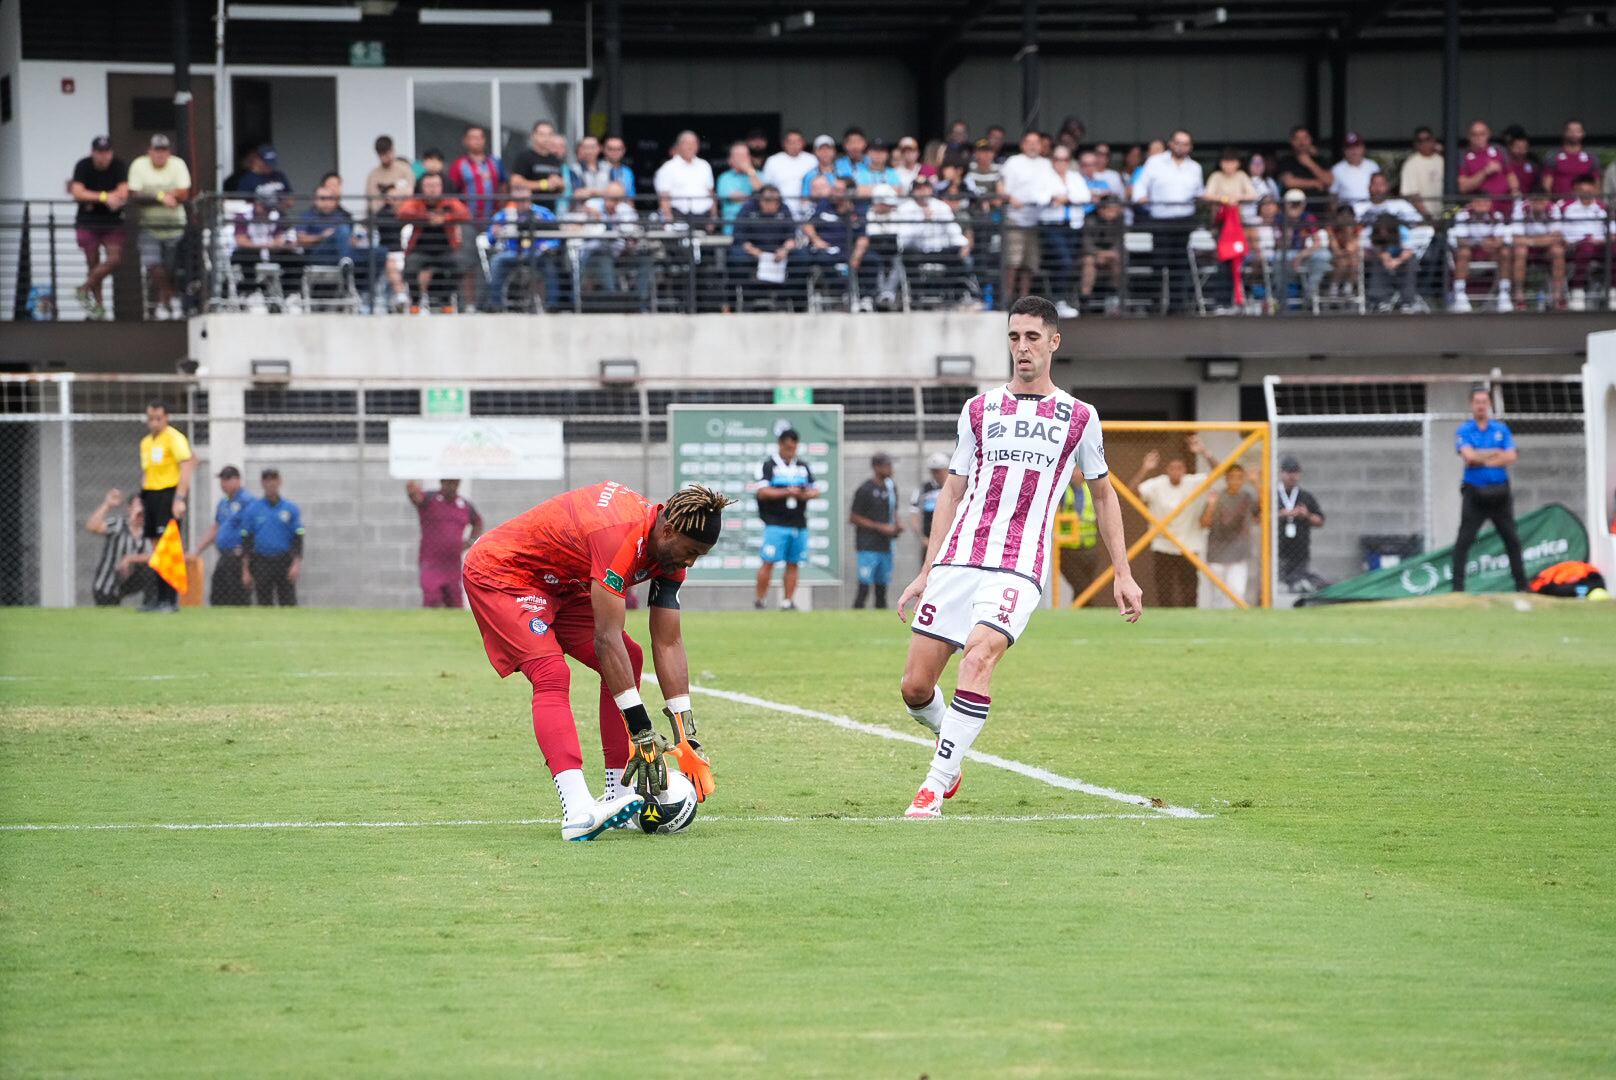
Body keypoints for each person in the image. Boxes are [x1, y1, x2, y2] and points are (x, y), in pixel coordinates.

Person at [895, 296, 1141, 818]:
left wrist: (1123, 572)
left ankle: (933, 787)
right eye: (1014, 337)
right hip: (960, 557)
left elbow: (1102, 494)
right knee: (915, 687)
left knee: (979, 656)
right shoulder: (979, 409)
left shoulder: (1079, 417)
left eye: (1032, 337)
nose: (1022, 347)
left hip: (1018, 564)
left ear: (1054, 342)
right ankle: (953, 749)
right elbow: (953, 491)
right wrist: (925, 571)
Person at [462, 482, 732, 842]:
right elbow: (606, 639)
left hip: (560, 582)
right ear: (668, 530)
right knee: (551, 671)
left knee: (631, 656)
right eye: (691, 552)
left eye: (700, 555)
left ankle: (618, 798)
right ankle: (576, 811)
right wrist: (640, 727)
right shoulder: (619, 535)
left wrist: (686, 737)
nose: (690, 562)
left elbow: (668, 641)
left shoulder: (671, 552)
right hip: (504, 573)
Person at [1452, 386, 1528, 593]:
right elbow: (1469, 456)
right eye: (1477, 402)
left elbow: (1511, 456)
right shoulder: (1464, 430)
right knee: (1463, 541)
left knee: (1511, 539)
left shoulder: (1500, 429)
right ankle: (1457, 589)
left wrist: (1481, 458)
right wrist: (1495, 454)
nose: (1481, 406)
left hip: (1500, 495)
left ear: (1489, 404)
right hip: (1474, 494)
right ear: (1471, 405)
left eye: (1484, 402)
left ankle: (1522, 586)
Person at [1131, 436, 1216, 608]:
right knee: (1164, 590)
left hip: (1189, 545)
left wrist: (1204, 452)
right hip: (1163, 545)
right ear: (1166, 470)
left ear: (1185, 470)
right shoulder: (1156, 485)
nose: (1176, 471)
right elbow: (1132, 492)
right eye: (1172, 468)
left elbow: (1220, 472)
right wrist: (1144, 469)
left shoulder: (1194, 482)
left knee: (1190, 590)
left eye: (1180, 468)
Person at [126, 133, 192, 320]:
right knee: (154, 265)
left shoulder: (178, 164)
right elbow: (135, 195)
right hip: (149, 226)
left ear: (169, 152)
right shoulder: (139, 165)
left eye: (164, 150)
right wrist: (162, 196)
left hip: (175, 226)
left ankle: (165, 302)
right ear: (149, 151)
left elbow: (183, 193)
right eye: (157, 150)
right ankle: (170, 300)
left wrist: (153, 193)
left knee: (170, 268)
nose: (160, 154)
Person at [754, 428, 820, 610]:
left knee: (794, 562)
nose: (791, 450)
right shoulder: (769, 465)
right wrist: (786, 491)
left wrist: (803, 494)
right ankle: (760, 600)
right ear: (780, 445)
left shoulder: (802, 466)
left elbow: (815, 490)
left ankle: (788, 601)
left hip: (798, 523)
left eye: (794, 446)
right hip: (776, 523)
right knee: (768, 562)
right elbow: (762, 491)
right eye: (788, 446)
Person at [137, 401, 194, 613]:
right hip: (151, 495)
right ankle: (158, 598)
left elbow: (187, 465)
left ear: (166, 417)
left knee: (168, 546)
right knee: (156, 549)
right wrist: (142, 501)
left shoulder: (174, 438)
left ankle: (170, 600)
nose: (154, 423)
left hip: (168, 494)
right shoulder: (145, 443)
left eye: (158, 418)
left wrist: (179, 498)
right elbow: (147, 473)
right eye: (151, 418)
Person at [69, 135, 128, 319]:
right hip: (88, 221)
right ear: (93, 152)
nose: (104, 156)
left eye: (107, 152)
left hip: (112, 222)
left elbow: (123, 191)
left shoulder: (119, 165)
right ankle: (98, 307)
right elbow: (78, 192)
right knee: (92, 262)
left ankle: (84, 288)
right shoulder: (83, 165)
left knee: (114, 259)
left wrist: (111, 198)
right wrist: (104, 198)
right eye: (100, 152)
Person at [406, 479, 483, 608]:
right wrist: (412, 491)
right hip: (431, 562)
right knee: (433, 600)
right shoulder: (430, 499)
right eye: (447, 483)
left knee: (454, 603)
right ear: (442, 483)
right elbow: (417, 499)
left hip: (452, 564)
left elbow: (478, 522)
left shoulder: (464, 505)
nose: (450, 487)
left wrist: (470, 541)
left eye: (454, 483)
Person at [240, 468, 304, 607]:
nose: (270, 484)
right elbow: (246, 539)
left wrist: (296, 564)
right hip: (261, 561)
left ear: (279, 482)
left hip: (284, 560)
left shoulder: (290, 508)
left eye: (273, 480)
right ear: (262, 483)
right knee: (264, 602)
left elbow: (298, 537)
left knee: (288, 602)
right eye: (267, 480)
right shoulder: (253, 509)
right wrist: (245, 569)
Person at [1199, 464, 1259, 608]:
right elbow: (1204, 523)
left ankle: (1235, 622)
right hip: (1217, 549)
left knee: (1237, 591)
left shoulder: (1247, 496)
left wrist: (1256, 482)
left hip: (1239, 550)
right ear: (1226, 479)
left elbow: (1262, 510)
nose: (1236, 481)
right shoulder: (1218, 496)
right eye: (1232, 477)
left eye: (1239, 478)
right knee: (1217, 593)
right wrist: (1211, 505)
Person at [85, 488, 155, 607]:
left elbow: (158, 555)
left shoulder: (150, 531)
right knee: (109, 614)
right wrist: (107, 505)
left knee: (155, 571)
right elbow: (92, 526)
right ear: (129, 509)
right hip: (108, 582)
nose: (142, 509)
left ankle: (150, 606)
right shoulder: (118, 524)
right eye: (138, 505)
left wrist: (130, 559)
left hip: (130, 579)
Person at [196, 465, 254, 606]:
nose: (223, 483)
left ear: (238, 480)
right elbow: (216, 527)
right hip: (224, 556)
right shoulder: (223, 503)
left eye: (227, 479)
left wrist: (247, 559)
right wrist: (197, 550)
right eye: (222, 479)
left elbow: (252, 531)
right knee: (218, 595)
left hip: (239, 557)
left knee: (237, 597)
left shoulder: (247, 501)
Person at [850, 453, 901, 609]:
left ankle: (880, 619)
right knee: (864, 587)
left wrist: (897, 526)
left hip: (886, 545)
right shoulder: (865, 489)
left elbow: (893, 511)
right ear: (876, 467)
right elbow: (854, 517)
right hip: (868, 545)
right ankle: (855, 618)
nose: (890, 468)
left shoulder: (891, 488)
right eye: (886, 465)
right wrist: (881, 527)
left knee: (882, 588)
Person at [1275, 456, 1328, 593]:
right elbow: (1259, 518)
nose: (1292, 476)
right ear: (1281, 473)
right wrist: (1281, 514)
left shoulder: (1305, 496)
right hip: (1277, 549)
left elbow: (1320, 520)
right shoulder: (1274, 495)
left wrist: (1307, 515)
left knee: (1297, 581)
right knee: (1280, 581)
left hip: (1300, 549)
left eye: (1295, 473)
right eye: (1288, 472)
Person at [1054, 477, 1101, 602]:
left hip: (1089, 548)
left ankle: (1081, 614)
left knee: (1086, 588)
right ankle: (1086, 612)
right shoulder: (1063, 490)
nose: (1076, 473)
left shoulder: (1090, 489)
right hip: (1068, 549)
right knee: (1081, 587)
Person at [909, 452, 951, 557]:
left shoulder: (955, 488)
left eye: (938, 471)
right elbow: (914, 514)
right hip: (929, 541)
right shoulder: (923, 489)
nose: (935, 474)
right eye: (933, 471)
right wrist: (922, 538)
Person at [365, 135, 415, 214]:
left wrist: (394, 194)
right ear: (378, 154)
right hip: (382, 217)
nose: (388, 157)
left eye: (390, 152)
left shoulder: (405, 169)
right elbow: (371, 203)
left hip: (404, 214)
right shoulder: (373, 175)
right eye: (384, 154)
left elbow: (411, 191)